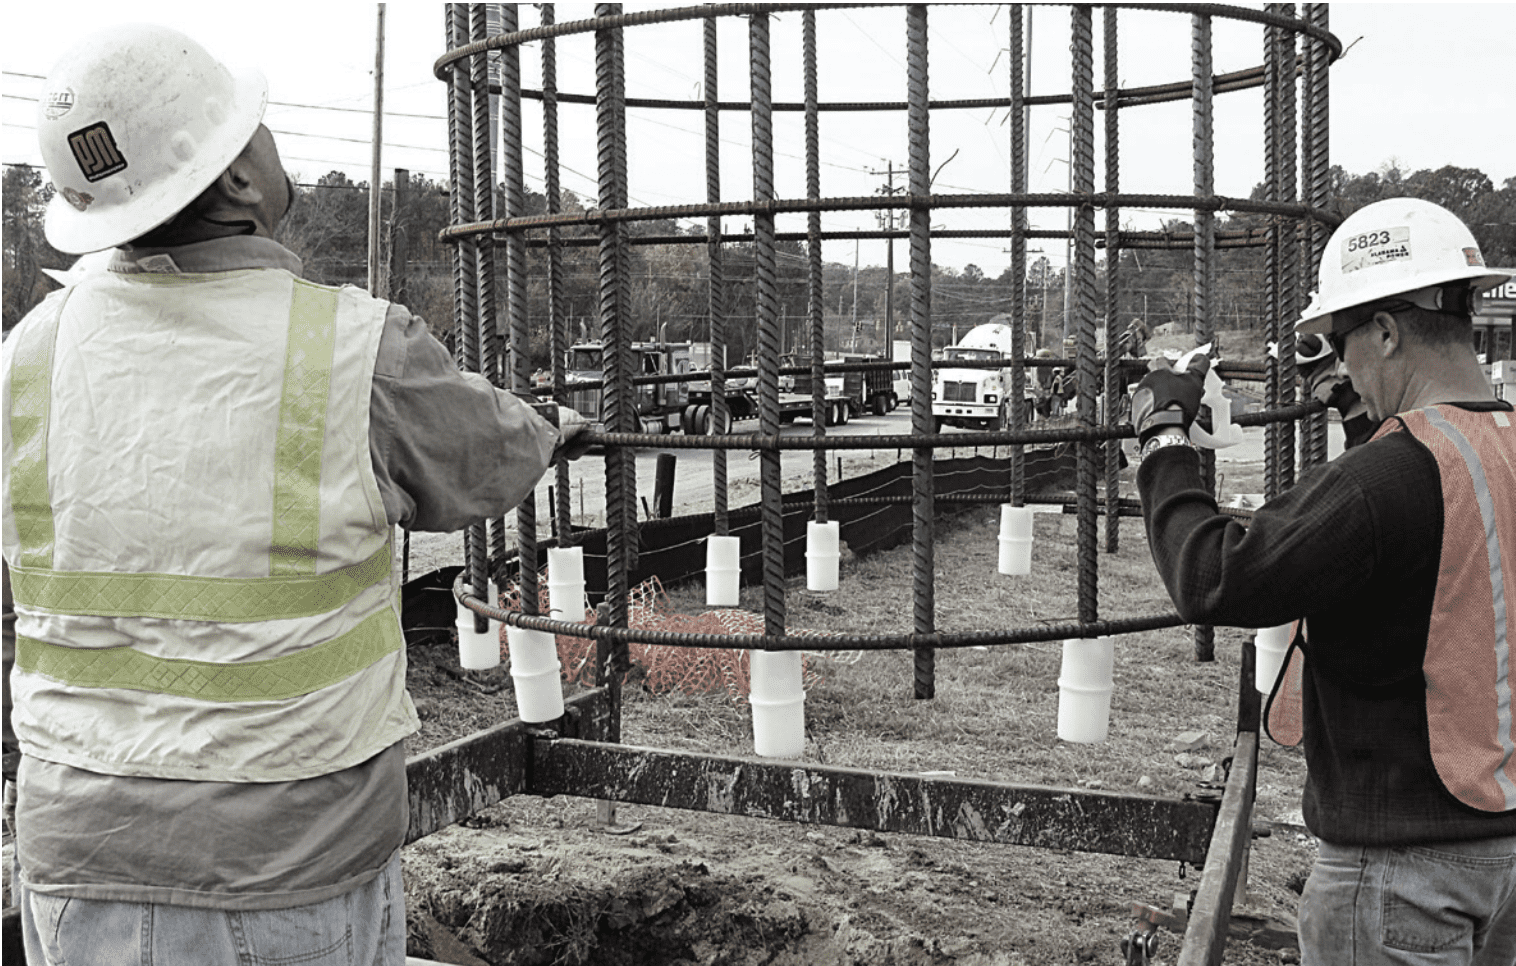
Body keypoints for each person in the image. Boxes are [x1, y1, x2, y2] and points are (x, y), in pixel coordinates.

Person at [2, 25, 584, 965]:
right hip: (287, 858)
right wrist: (555, 425)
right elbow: (491, 457)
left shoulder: (23, 359)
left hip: (75, 857)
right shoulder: (352, 350)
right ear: (235, 180)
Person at [1131, 197, 1516, 965]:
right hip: (1497, 854)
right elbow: (1433, 566)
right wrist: (1360, 420)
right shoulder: (1499, 443)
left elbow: (1213, 577)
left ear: (1385, 330)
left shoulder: (1388, 477)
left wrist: (1164, 440)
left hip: (1399, 872)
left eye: (1341, 343)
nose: (1338, 366)